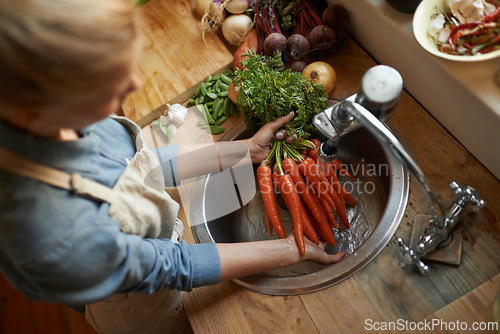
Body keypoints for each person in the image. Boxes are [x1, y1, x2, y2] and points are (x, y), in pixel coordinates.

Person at [0, 0, 344, 332]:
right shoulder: (49, 232)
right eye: (107, 84)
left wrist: (248, 150)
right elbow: (169, 265)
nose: (133, 85)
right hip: (145, 309)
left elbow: (142, 164)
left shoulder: (54, 114)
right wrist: (289, 248)